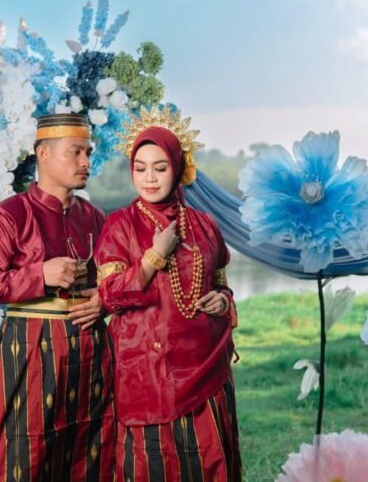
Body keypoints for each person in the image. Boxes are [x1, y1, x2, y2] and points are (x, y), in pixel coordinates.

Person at [95, 108, 242, 481]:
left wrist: (222, 301)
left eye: (159, 168)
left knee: (208, 461)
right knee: (153, 464)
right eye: (140, 168)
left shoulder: (205, 226)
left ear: (177, 168)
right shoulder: (120, 225)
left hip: (205, 364)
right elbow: (110, 296)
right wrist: (154, 257)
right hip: (147, 369)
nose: (149, 178)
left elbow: (220, 284)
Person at [0, 113, 115, 481]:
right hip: (33, 346)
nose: (85, 161)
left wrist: (104, 300)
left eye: (88, 152)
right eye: (75, 152)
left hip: (91, 347)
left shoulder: (95, 218)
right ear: (43, 154)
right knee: (24, 448)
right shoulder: (9, 215)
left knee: (90, 444)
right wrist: (40, 275)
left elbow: (114, 279)